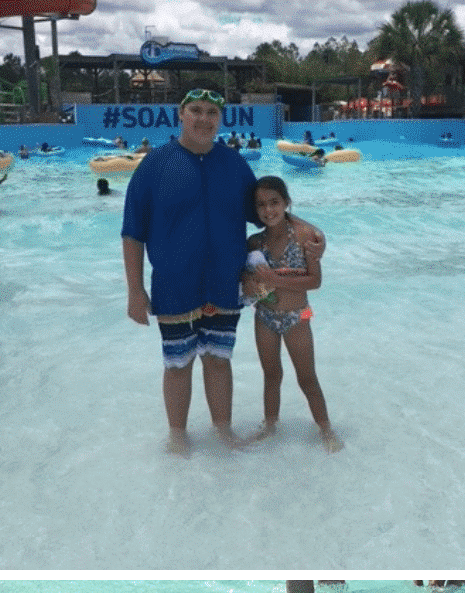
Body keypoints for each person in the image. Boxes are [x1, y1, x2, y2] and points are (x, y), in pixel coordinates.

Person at [122, 88, 323, 455]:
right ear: (181, 113)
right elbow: (133, 232)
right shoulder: (154, 165)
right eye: (196, 110)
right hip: (174, 285)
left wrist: (312, 235)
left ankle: (223, 431)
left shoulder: (233, 165)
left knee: (218, 360)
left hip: (224, 284)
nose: (204, 119)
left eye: (211, 112)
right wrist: (135, 291)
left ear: (220, 118)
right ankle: (178, 435)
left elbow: (269, 213)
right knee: (177, 363)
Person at [243, 175, 341, 451]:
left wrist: (275, 280)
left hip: (298, 316)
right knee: (271, 375)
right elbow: (246, 280)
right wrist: (250, 284)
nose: (268, 210)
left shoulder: (305, 236)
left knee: (307, 377)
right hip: (264, 316)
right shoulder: (254, 243)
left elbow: (315, 281)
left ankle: (326, 429)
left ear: (286, 202)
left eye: (274, 202)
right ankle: (269, 426)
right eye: (261, 205)